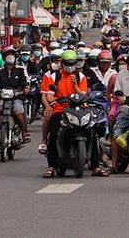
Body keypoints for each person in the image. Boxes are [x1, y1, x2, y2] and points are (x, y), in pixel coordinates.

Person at [41, 50, 91, 178]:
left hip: (77, 110)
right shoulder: (54, 76)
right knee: (54, 134)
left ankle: (95, 165)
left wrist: (75, 86)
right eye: (67, 63)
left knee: (91, 131)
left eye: (72, 63)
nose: (70, 66)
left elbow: (83, 96)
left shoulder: (81, 77)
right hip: (60, 110)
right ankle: (51, 166)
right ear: (62, 63)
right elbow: (49, 96)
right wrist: (53, 100)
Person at [0, 47, 31, 147]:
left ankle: (24, 133)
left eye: (12, 54)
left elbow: (27, 82)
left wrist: (26, 88)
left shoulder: (21, 70)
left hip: (17, 98)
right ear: (3, 57)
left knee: (17, 112)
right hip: (3, 98)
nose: (10, 56)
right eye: (7, 54)